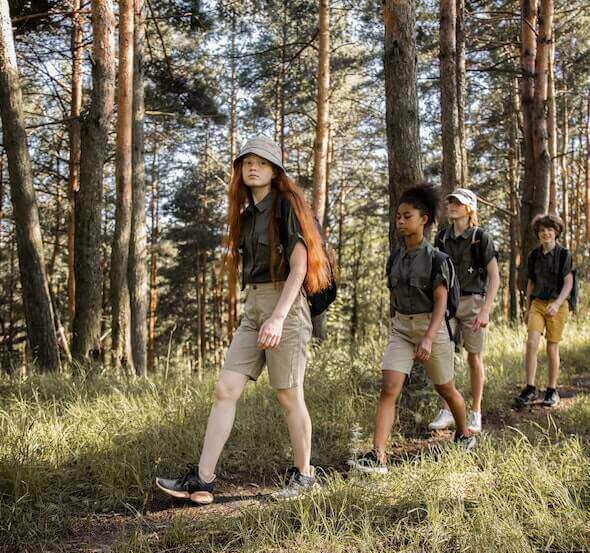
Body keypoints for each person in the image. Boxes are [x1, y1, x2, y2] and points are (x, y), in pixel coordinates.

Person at [156, 136, 332, 502]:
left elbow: (301, 267)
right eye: (247, 161)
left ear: (275, 171)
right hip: (255, 307)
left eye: (263, 162)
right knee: (225, 390)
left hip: (286, 304)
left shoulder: (287, 206)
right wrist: (257, 313)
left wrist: (279, 317)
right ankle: (203, 481)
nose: (253, 167)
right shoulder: (245, 214)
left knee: (288, 395)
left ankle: (304, 477)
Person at [349, 183, 475, 474]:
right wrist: (397, 325)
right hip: (402, 329)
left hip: (432, 327)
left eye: (407, 216)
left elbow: (441, 301)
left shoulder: (437, 259)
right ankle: (377, 456)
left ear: (425, 219)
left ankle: (464, 433)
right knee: (388, 388)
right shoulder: (394, 258)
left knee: (445, 387)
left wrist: (429, 338)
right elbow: (394, 297)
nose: (400, 221)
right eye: (398, 217)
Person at [428, 188, 500, 433]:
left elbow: (494, 277)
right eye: (449, 202)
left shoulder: (481, 237)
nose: (451, 206)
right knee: (444, 356)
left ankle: (476, 412)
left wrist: (485, 310)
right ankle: (446, 410)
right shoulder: (442, 237)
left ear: (469, 208)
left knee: (473, 357)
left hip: (474, 304)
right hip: (448, 304)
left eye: (456, 203)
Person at [515, 214, 574, 409]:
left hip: (558, 304)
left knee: (551, 347)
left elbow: (568, 283)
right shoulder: (533, 256)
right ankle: (530, 388)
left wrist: (557, 304)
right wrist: (527, 307)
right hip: (538, 303)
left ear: (556, 232)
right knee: (531, 342)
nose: (545, 233)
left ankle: (551, 390)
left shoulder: (564, 254)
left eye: (549, 230)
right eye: (541, 230)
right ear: (538, 234)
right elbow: (531, 282)